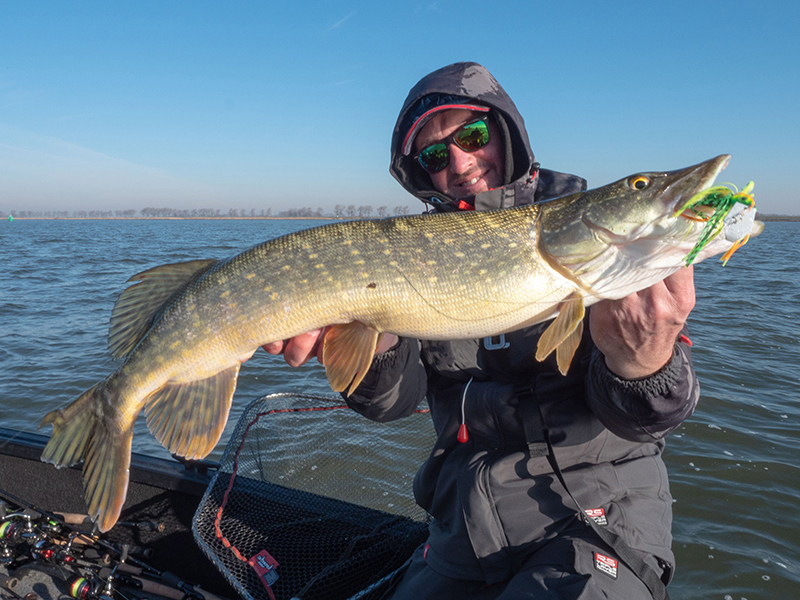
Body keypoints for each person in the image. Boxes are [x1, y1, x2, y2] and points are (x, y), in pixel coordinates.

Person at [264, 62, 698, 599]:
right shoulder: (414, 252)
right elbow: (394, 404)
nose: (460, 162)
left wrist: (644, 363)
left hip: (594, 521)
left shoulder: (597, 248)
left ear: (506, 133)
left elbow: (653, 419)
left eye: (472, 136)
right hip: (462, 530)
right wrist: (373, 345)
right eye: (434, 156)